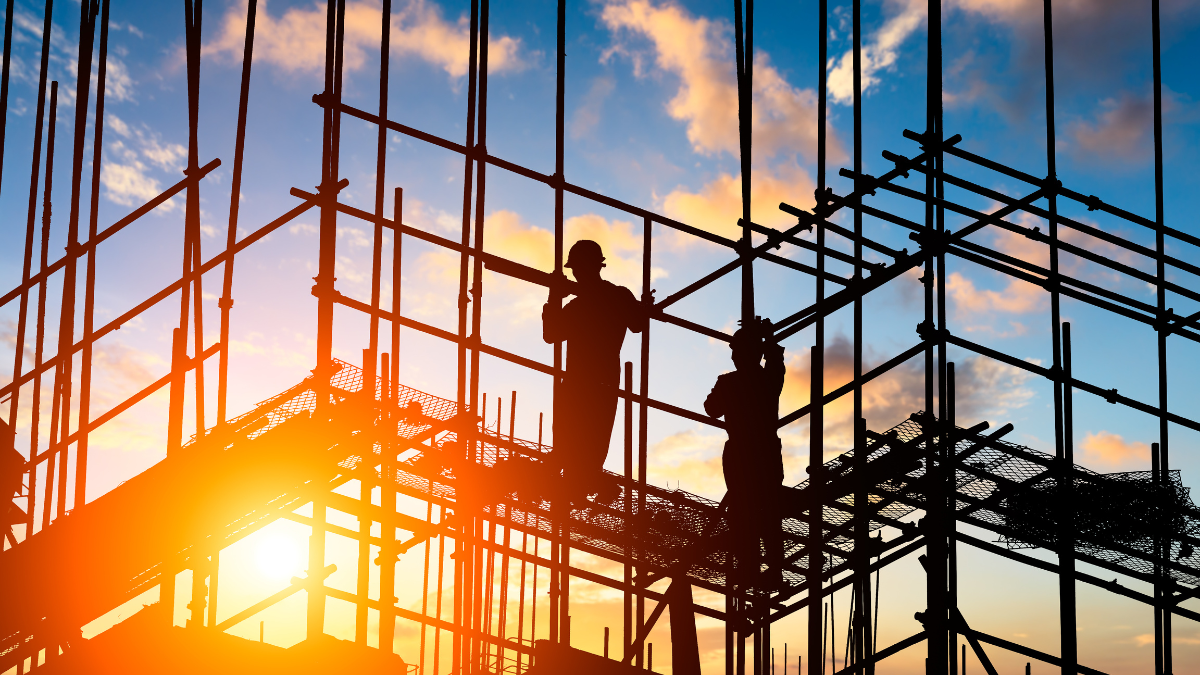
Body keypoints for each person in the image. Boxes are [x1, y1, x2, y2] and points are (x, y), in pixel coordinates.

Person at [542, 240, 645, 500]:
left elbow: (550, 333)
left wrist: (554, 296)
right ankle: (579, 483)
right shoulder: (615, 296)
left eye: (578, 269)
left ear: (589, 268)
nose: (577, 274)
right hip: (600, 380)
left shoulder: (582, 305)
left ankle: (576, 485)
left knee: (580, 435)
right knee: (587, 436)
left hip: (584, 380)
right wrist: (642, 307)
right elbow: (637, 323)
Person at [703, 317, 785, 591]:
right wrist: (768, 337)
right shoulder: (768, 379)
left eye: (736, 351)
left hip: (741, 453)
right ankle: (770, 571)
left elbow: (711, 408)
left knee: (745, 514)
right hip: (765, 452)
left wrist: (766, 338)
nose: (734, 356)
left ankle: (751, 569)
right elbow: (776, 361)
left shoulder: (729, 383)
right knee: (767, 514)